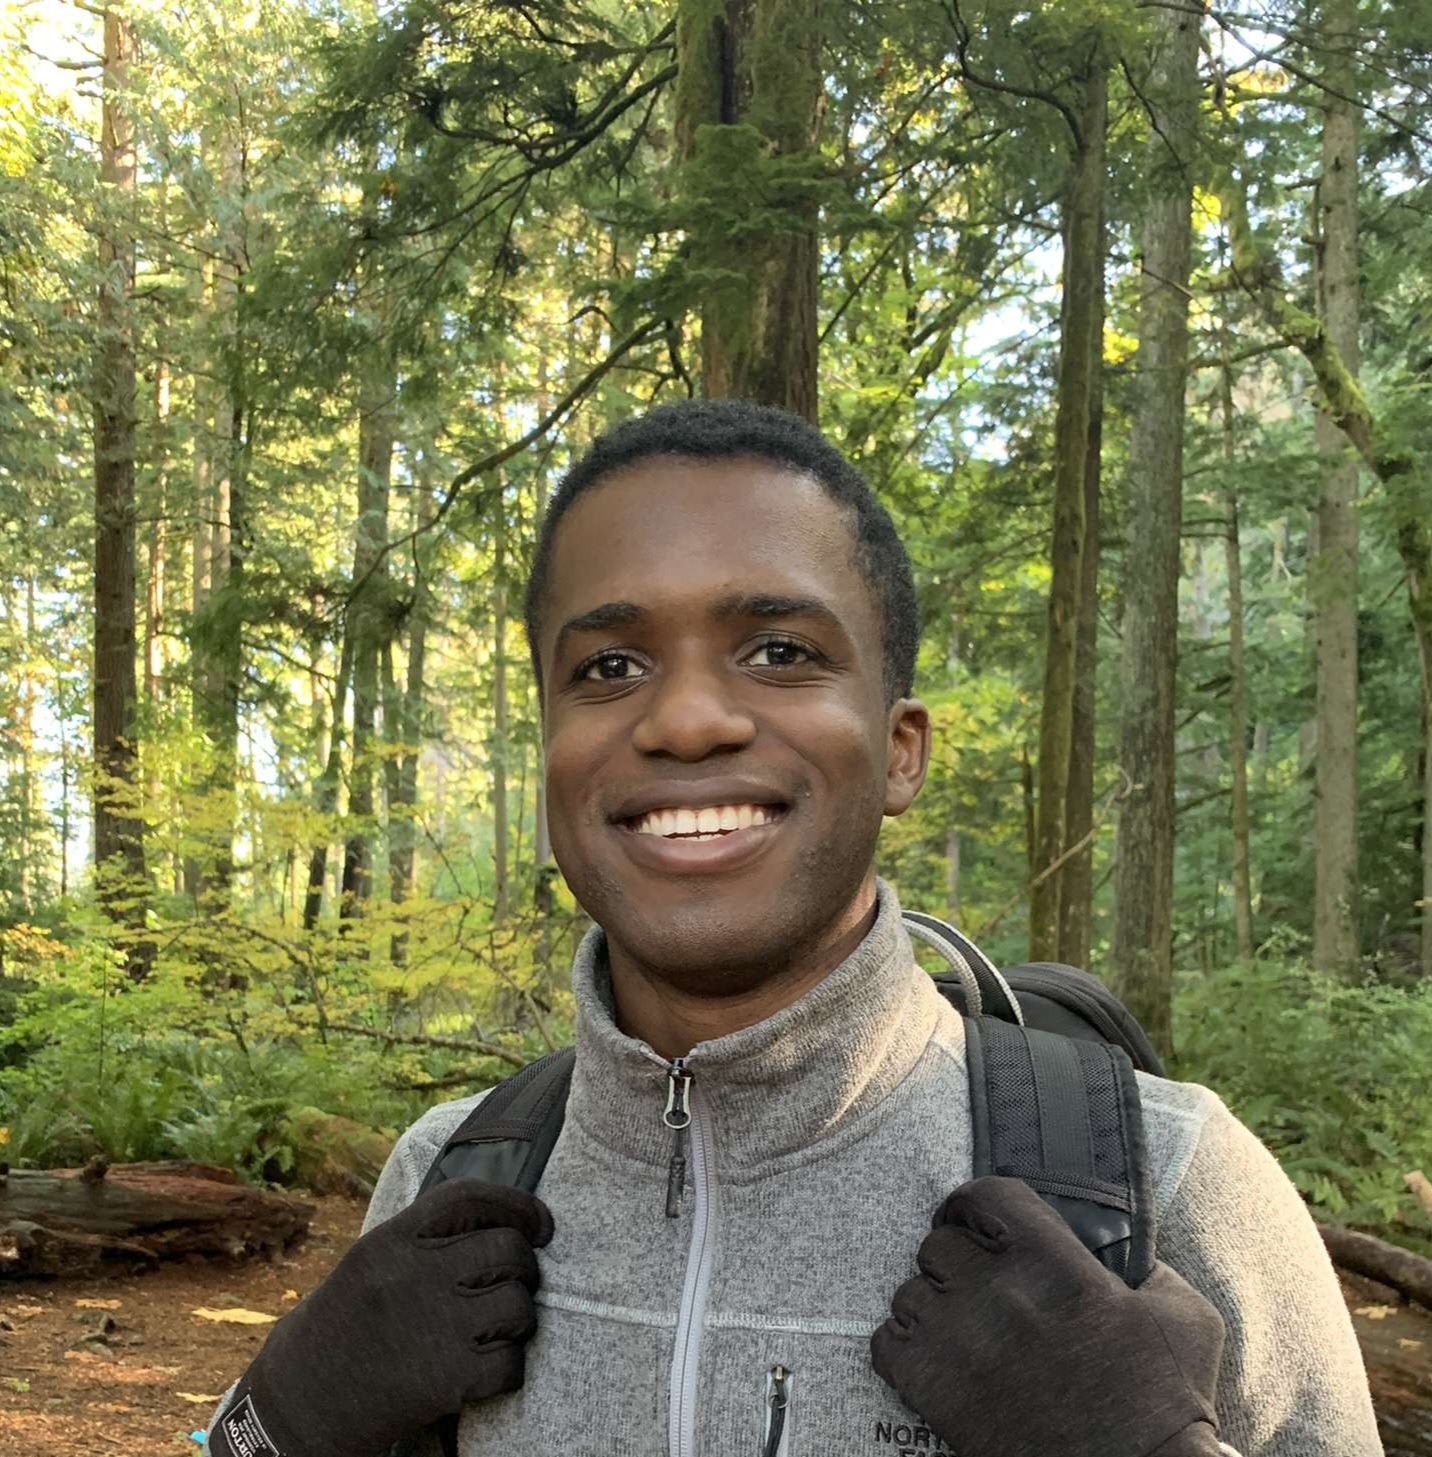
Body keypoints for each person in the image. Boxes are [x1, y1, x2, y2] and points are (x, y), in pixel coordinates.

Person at [207, 400, 1383, 1457]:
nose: (686, 718)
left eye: (779, 651)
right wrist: (275, 1427)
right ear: (551, 750)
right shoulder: (447, 1177)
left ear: (898, 747)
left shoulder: (1168, 1177)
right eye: (609, 664)